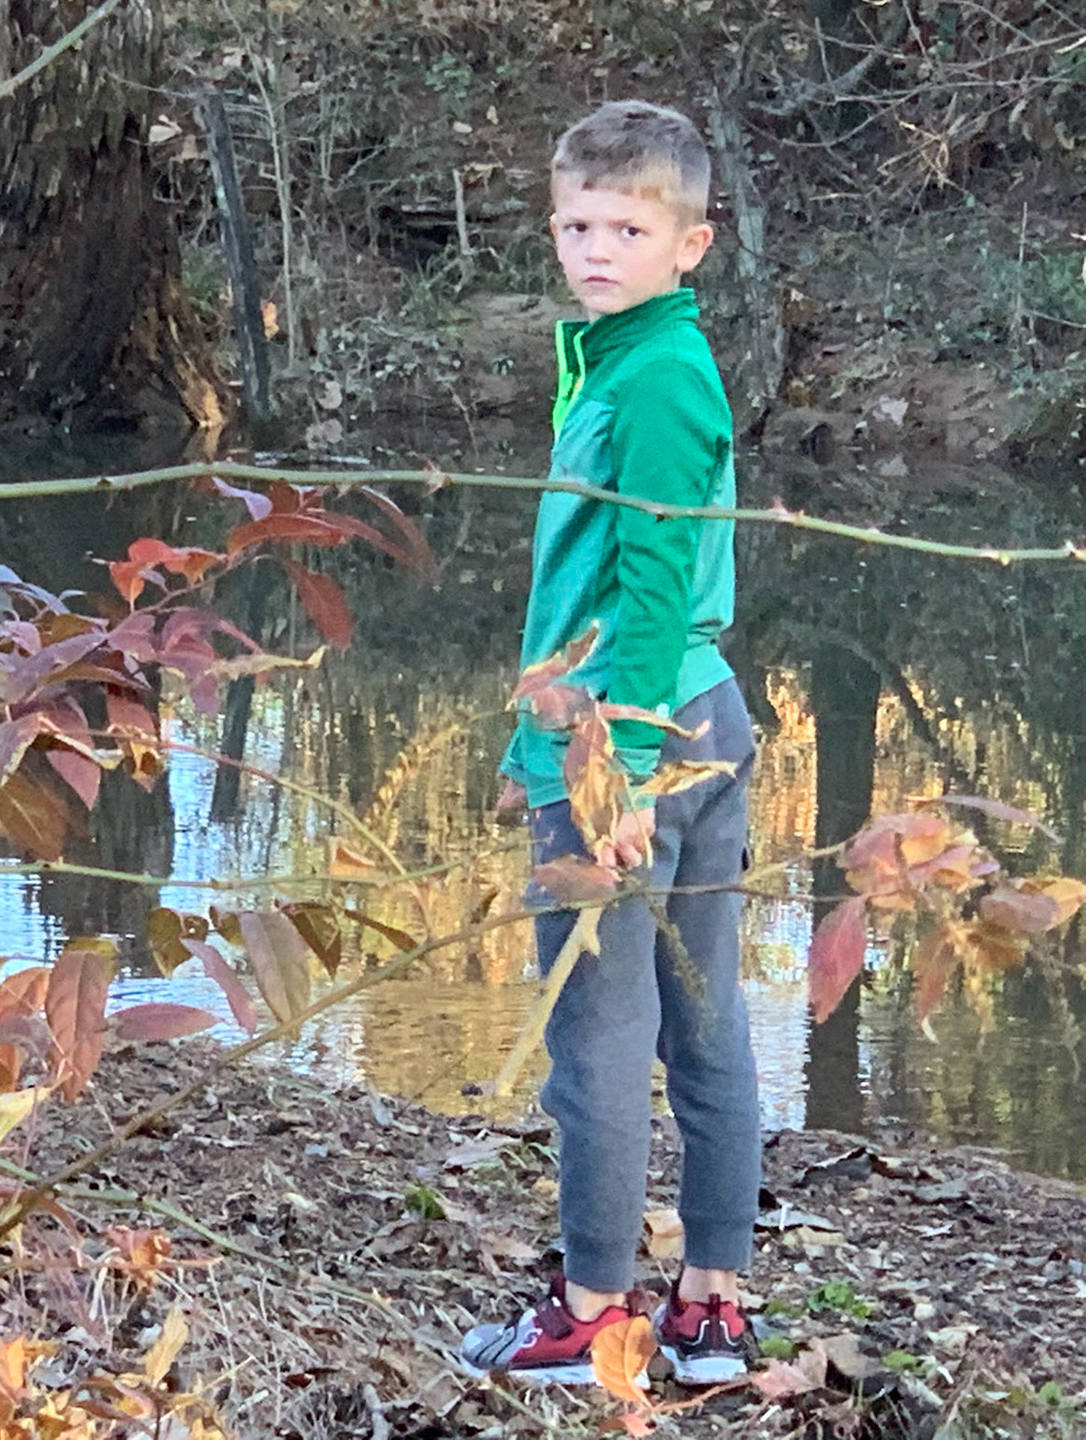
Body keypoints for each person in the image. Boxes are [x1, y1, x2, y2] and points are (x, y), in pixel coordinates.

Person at [459, 99, 760, 1388]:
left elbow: (646, 592)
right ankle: (710, 1304)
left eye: (629, 227)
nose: (597, 248)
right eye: (579, 223)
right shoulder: (620, 357)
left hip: (628, 734)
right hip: (698, 717)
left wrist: (611, 768)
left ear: (691, 243)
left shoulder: (653, 382)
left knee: (599, 1032)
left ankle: (596, 1311)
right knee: (700, 1016)